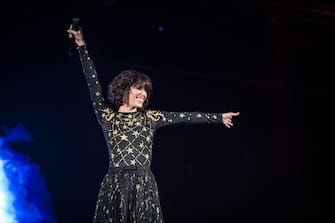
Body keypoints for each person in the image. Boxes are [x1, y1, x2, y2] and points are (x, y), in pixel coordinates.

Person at [67, 24, 240, 223]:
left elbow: (184, 117)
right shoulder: (107, 117)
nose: (144, 93)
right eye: (139, 88)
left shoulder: (150, 117)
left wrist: (218, 117)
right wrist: (81, 46)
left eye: (146, 90)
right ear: (125, 89)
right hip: (115, 185)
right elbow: (92, 81)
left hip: (143, 184)